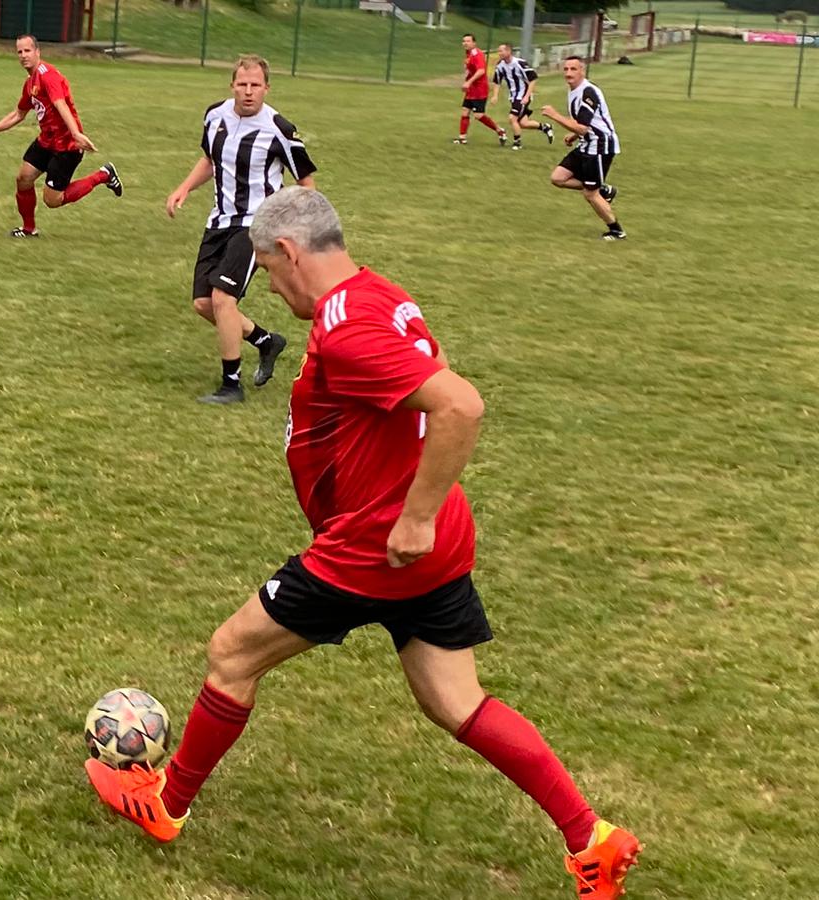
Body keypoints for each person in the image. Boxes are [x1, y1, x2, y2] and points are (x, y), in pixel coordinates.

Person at [84, 187, 644, 900]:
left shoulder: (347, 327)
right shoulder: (380, 294)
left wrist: (413, 516)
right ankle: (592, 839)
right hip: (432, 547)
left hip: (374, 548)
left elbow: (460, 404)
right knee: (455, 701)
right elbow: (432, 376)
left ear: (290, 253)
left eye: (267, 268)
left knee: (232, 654)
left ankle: (166, 805)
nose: (270, 286)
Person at [165, 54, 312, 405]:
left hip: (257, 224)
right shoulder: (214, 116)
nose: (248, 91)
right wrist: (184, 188)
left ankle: (231, 385)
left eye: (255, 85)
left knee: (223, 298)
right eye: (242, 84)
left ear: (266, 88)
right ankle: (266, 341)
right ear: (232, 85)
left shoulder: (280, 129)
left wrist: (301, 229)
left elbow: (306, 182)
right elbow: (209, 160)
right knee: (204, 304)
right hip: (219, 221)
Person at [0, 35, 121, 238]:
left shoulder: (48, 75)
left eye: (27, 51)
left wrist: (76, 134)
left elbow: (60, 104)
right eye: (19, 52)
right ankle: (29, 229)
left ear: (38, 52)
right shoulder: (30, 83)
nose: (23, 55)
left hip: (66, 145)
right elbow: (18, 114)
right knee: (23, 178)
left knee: (52, 200)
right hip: (47, 140)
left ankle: (104, 175)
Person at [541, 56, 625, 240]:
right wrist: (574, 135)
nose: (568, 73)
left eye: (573, 69)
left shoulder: (588, 92)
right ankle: (603, 189)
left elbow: (582, 127)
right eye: (566, 69)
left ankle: (616, 230)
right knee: (558, 178)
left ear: (582, 71)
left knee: (590, 194)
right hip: (586, 143)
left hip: (600, 145)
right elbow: (585, 124)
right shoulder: (574, 90)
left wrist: (555, 115)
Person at [490, 43, 555, 150]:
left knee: (512, 118)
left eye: (501, 51)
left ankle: (517, 143)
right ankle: (545, 127)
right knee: (523, 123)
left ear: (508, 51)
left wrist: (527, 96)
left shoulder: (520, 63)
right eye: (499, 51)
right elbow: (497, 81)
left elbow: (533, 79)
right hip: (513, 97)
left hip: (522, 96)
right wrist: (495, 95)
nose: (499, 53)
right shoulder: (500, 65)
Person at [455, 34, 507, 146]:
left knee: (478, 115)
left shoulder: (477, 54)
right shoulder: (468, 54)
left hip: (479, 89)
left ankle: (500, 130)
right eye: (464, 41)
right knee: (465, 111)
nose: (465, 43)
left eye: (468, 41)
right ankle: (462, 138)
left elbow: (481, 71)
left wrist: (469, 82)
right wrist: (466, 80)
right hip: (471, 89)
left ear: (474, 43)